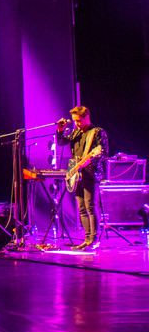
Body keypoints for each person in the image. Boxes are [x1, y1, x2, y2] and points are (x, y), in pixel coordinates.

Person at [56, 106, 108, 250]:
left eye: (79, 120)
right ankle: (86, 239)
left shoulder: (97, 132)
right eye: (74, 121)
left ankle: (94, 239)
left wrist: (89, 160)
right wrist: (60, 130)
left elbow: (103, 152)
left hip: (91, 173)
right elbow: (61, 143)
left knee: (91, 207)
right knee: (82, 208)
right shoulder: (76, 132)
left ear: (87, 117)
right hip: (77, 174)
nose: (77, 124)